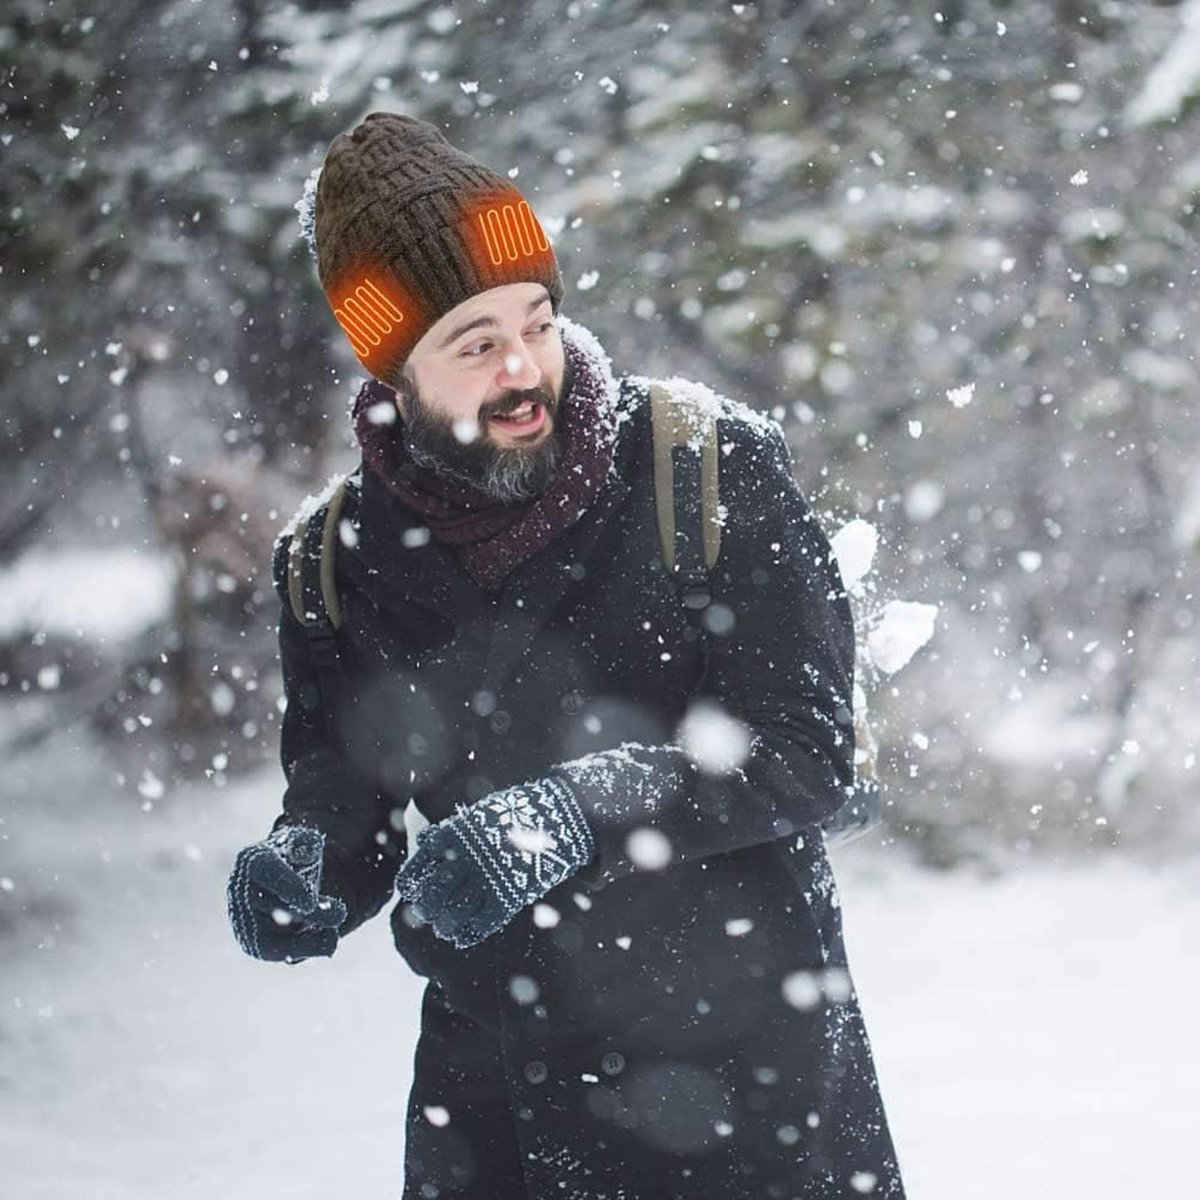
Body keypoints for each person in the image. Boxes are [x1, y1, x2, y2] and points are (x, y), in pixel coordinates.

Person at [226, 111, 906, 1200]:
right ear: (393, 369)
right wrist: (305, 863)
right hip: (493, 1106)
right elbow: (348, 786)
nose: (522, 366)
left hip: (744, 1098)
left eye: (535, 321)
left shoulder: (706, 471)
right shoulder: (334, 561)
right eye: (474, 342)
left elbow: (805, 751)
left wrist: (572, 812)